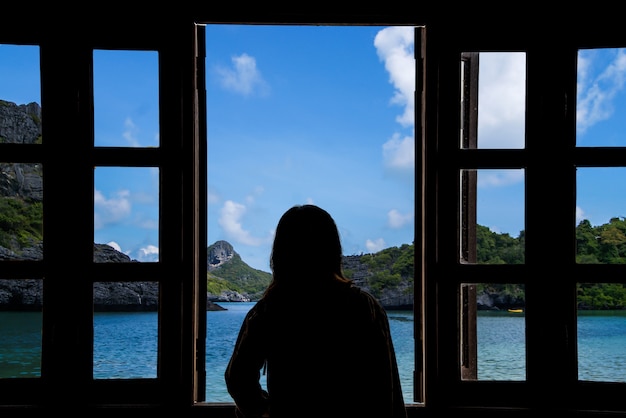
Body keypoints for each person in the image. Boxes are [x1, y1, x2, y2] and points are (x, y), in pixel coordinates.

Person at [224, 204, 407, 418]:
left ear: (281, 253)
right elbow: (387, 385)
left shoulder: (270, 309)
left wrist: (265, 411)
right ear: (333, 250)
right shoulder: (364, 307)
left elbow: (237, 378)